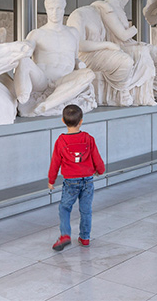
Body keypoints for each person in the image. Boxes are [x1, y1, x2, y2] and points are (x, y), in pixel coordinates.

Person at [48, 105, 106, 251]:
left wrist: (51, 180)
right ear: (81, 121)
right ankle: (85, 238)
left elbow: (55, 162)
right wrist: (100, 170)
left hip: (70, 182)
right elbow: (97, 158)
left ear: (63, 120)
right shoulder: (88, 138)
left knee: (65, 208)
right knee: (86, 210)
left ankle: (65, 235)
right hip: (87, 180)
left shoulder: (61, 141)